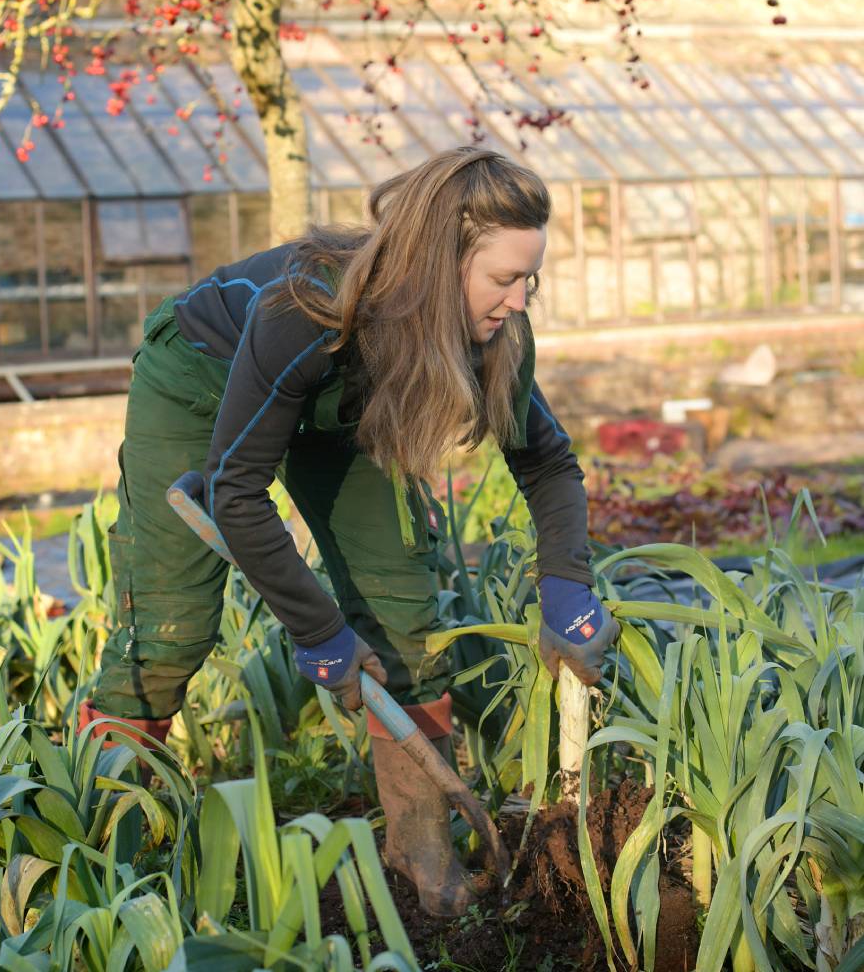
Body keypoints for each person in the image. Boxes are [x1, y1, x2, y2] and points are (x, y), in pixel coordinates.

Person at [78, 146, 620, 917]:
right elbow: (236, 492)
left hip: (342, 406)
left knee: (404, 619)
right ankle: (96, 856)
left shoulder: (494, 332)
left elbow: (549, 464)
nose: (519, 300)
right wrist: (319, 631)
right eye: (505, 279)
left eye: (529, 279)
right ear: (441, 262)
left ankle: (423, 855)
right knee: (168, 633)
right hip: (200, 382)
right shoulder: (304, 308)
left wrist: (566, 581)